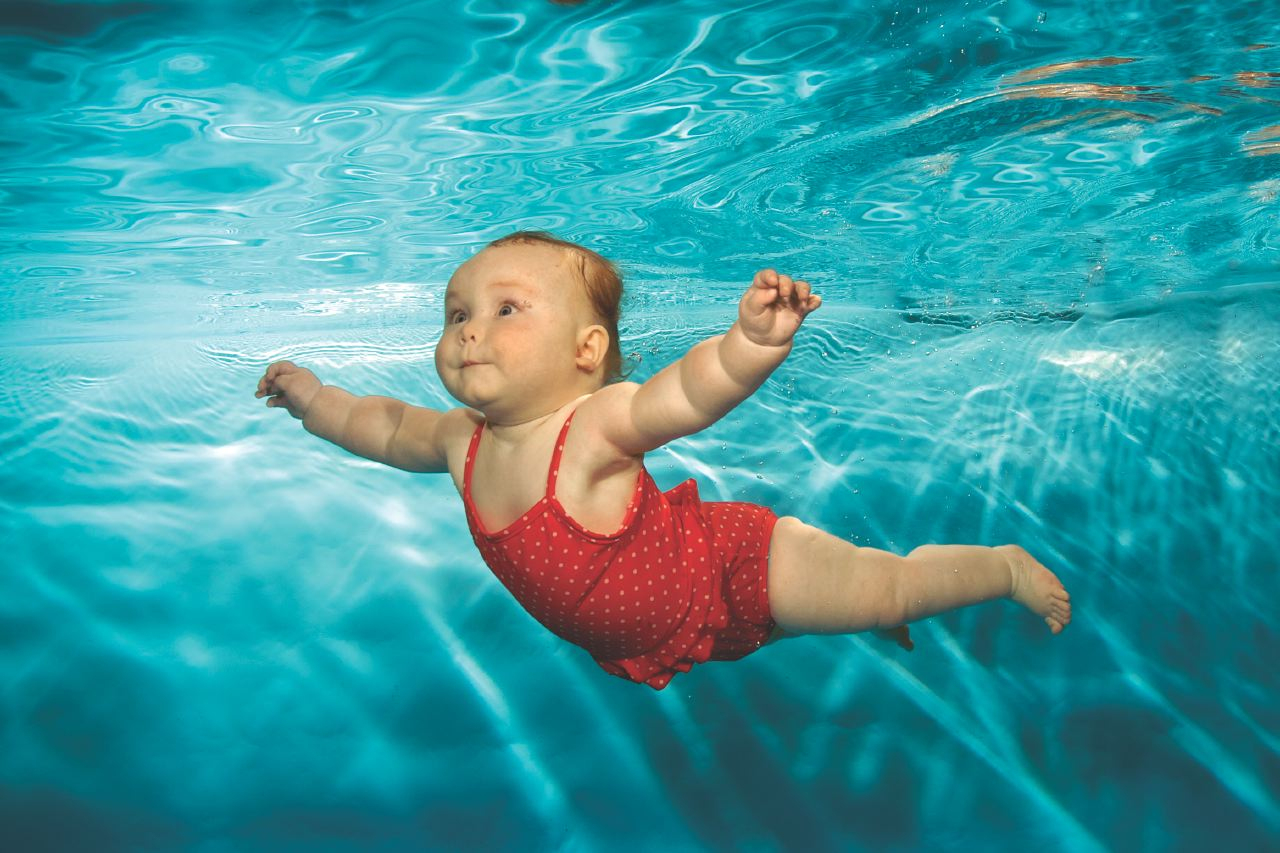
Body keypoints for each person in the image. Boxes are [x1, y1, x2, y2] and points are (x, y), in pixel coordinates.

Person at [255, 231, 1071, 689]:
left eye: (506, 309)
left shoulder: (593, 426)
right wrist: (313, 398)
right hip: (692, 627)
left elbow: (683, 394)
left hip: (737, 569)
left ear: (587, 349)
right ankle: (855, 604)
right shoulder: (459, 440)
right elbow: (383, 425)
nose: (469, 329)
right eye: (457, 311)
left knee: (888, 583)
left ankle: (997, 568)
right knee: (815, 616)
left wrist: (748, 344)